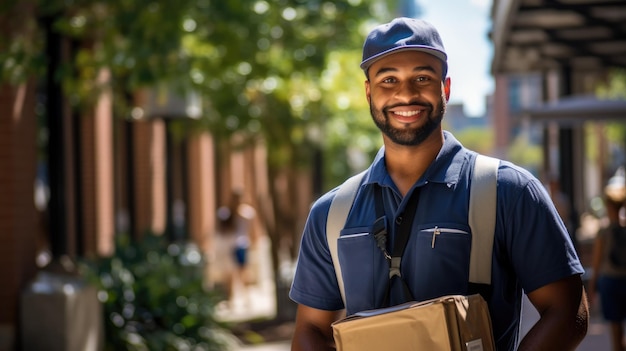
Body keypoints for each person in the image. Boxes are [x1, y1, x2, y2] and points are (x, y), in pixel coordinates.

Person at [289, 17, 588, 351]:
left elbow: (567, 311)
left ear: (445, 88)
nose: (406, 93)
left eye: (422, 77)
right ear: (369, 93)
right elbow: (310, 331)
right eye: (389, 79)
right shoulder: (330, 214)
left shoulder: (510, 192)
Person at [589, 168, 626, 351]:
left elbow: (596, 263)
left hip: (610, 282)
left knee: (615, 328)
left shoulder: (603, 232)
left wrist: (592, 287)